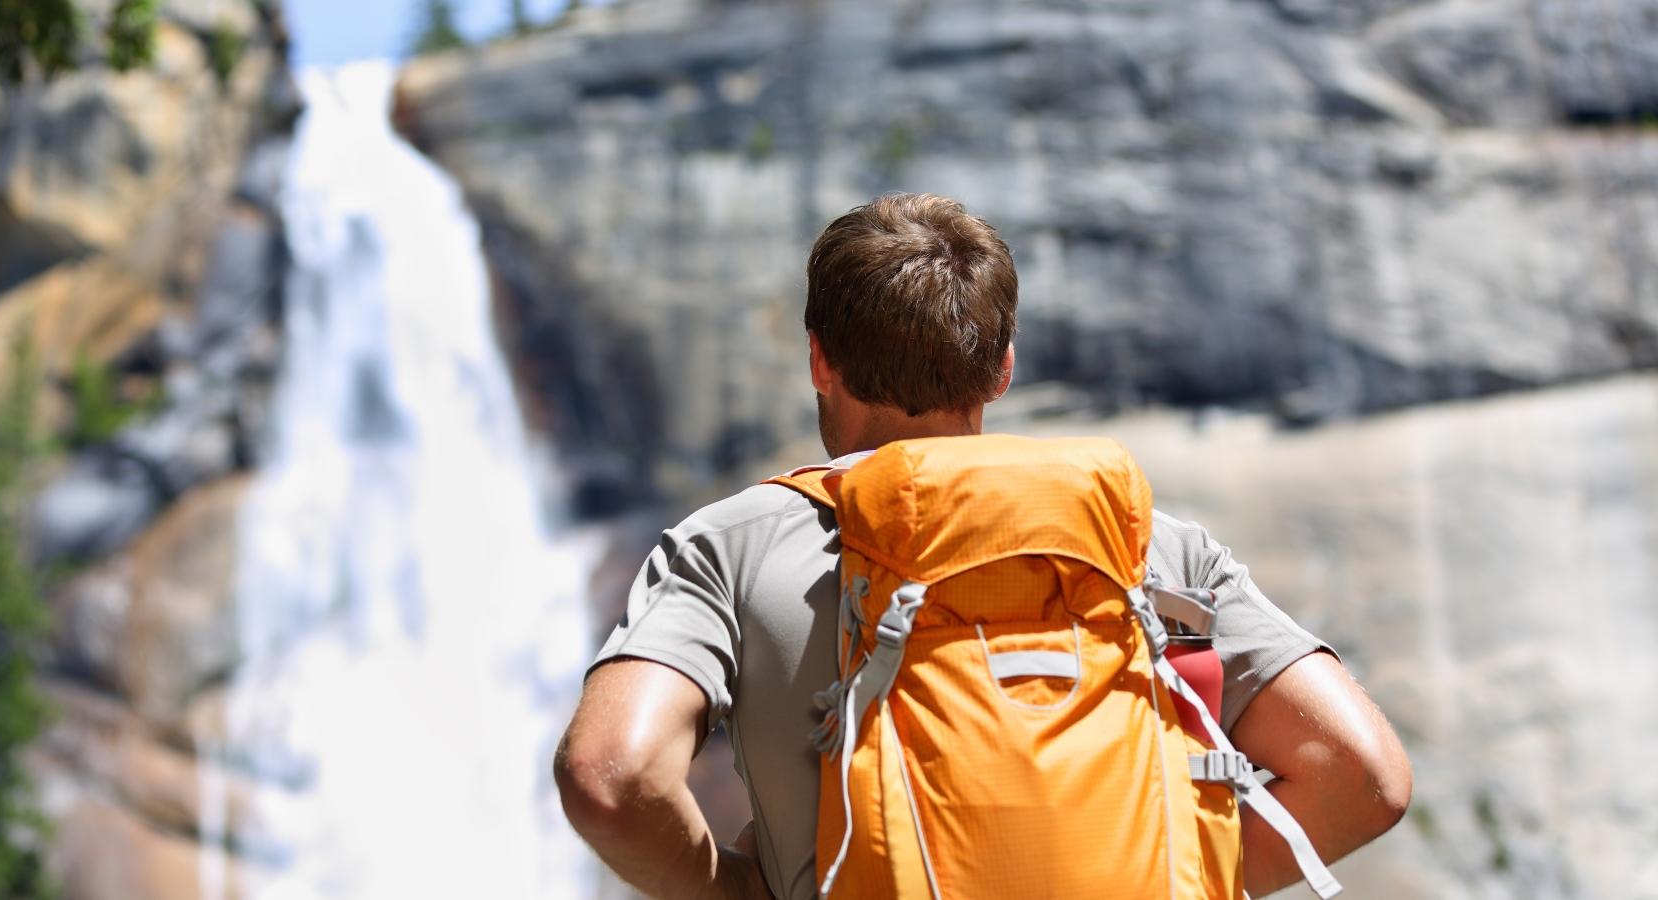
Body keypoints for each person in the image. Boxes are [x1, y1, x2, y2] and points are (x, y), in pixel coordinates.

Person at [554, 193, 1411, 900]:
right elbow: (1364, 776)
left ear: (817, 359)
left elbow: (610, 776)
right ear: (1003, 369)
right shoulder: (1147, 542)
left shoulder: (731, 546)